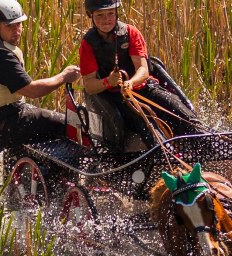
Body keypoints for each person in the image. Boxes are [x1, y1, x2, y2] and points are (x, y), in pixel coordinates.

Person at [0, 0, 81, 151]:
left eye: (19, 24)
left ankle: (23, 164)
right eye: (9, 26)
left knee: (39, 118)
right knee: (68, 125)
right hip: (1, 124)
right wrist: (63, 76)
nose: (16, 30)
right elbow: (33, 91)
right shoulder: (0, 57)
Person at [79, 0, 198, 150]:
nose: (106, 19)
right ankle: (166, 155)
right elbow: (89, 86)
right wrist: (108, 81)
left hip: (144, 89)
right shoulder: (88, 44)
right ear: (91, 16)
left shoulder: (130, 33)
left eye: (110, 13)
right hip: (117, 99)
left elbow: (143, 70)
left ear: (116, 13)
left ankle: (208, 148)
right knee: (146, 123)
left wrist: (131, 83)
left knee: (180, 111)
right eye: (100, 15)